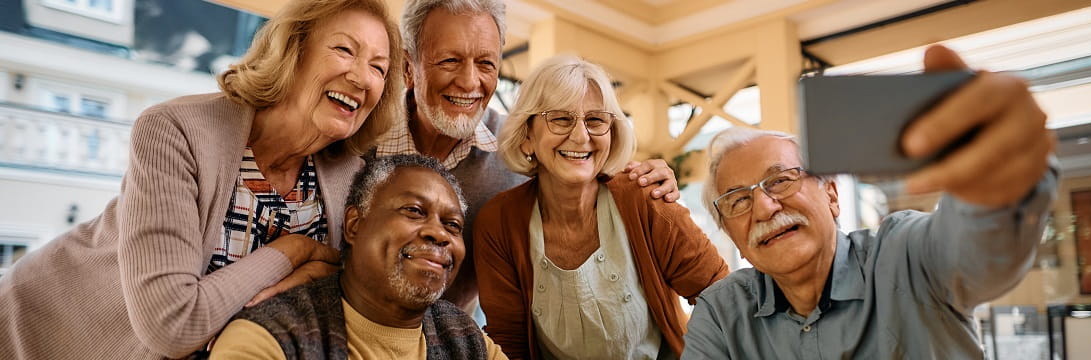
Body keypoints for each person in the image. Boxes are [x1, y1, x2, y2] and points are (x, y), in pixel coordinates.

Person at [0, 0, 405, 358]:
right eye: (344, 50)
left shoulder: (351, 178)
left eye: (378, 68)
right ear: (293, 51)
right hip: (47, 330)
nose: (362, 78)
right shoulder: (175, 129)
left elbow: (347, 286)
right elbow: (173, 325)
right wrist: (294, 252)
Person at [683, 45, 1058, 359]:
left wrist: (997, 184)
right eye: (737, 202)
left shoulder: (905, 257)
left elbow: (978, 252)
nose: (764, 208)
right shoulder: (722, 312)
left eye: (780, 181)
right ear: (730, 233)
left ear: (830, 194)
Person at [372, 0, 682, 313]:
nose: (469, 82)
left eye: (486, 64)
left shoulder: (521, 142)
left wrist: (646, 182)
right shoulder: (359, 136)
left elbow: (584, 171)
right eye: (450, 60)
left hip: (452, 338)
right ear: (408, 67)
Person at [473, 55, 730, 359]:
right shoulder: (498, 222)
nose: (581, 136)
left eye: (595, 120)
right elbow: (509, 344)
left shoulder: (643, 197)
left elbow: (722, 299)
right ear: (527, 135)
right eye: (560, 118)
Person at [208, 154, 507, 360]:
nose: (439, 234)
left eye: (452, 225)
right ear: (354, 224)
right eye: (414, 211)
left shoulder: (466, 341)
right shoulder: (269, 339)